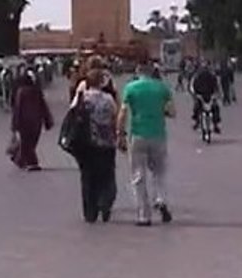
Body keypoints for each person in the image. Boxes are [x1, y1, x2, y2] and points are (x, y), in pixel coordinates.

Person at [118, 63, 175, 226]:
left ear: (138, 72)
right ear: (152, 72)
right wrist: (159, 111)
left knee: (138, 176)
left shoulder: (130, 88)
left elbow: (123, 113)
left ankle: (144, 215)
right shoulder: (162, 88)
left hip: (137, 135)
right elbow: (172, 112)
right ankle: (161, 199)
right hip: (158, 134)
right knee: (159, 172)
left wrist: (120, 133)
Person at [70, 66, 118, 223]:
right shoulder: (108, 99)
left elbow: (72, 114)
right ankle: (105, 202)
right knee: (107, 175)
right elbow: (114, 118)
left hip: (86, 143)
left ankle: (90, 211)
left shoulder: (82, 98)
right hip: (106, 143)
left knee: (88, 177)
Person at [10, 71, 53, 171]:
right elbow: (43, 107)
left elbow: (17, 109)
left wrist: (15, 125)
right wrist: (47, 120)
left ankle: (21, 159)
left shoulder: (22, 92)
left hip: (25, 122)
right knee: (30, 143)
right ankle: (31, 162)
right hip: (36, 121)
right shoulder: (35, 91)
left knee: (26, 143)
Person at [190, 61, 221, 133]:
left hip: (207, 96)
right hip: (202, 96)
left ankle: (214, 124)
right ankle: (198, 121)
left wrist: (216, 94)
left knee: (214, 107)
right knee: (197, 107)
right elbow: (192, 86)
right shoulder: (197, 76)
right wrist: (195, 94)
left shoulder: (210, 76)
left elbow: (216, 86)